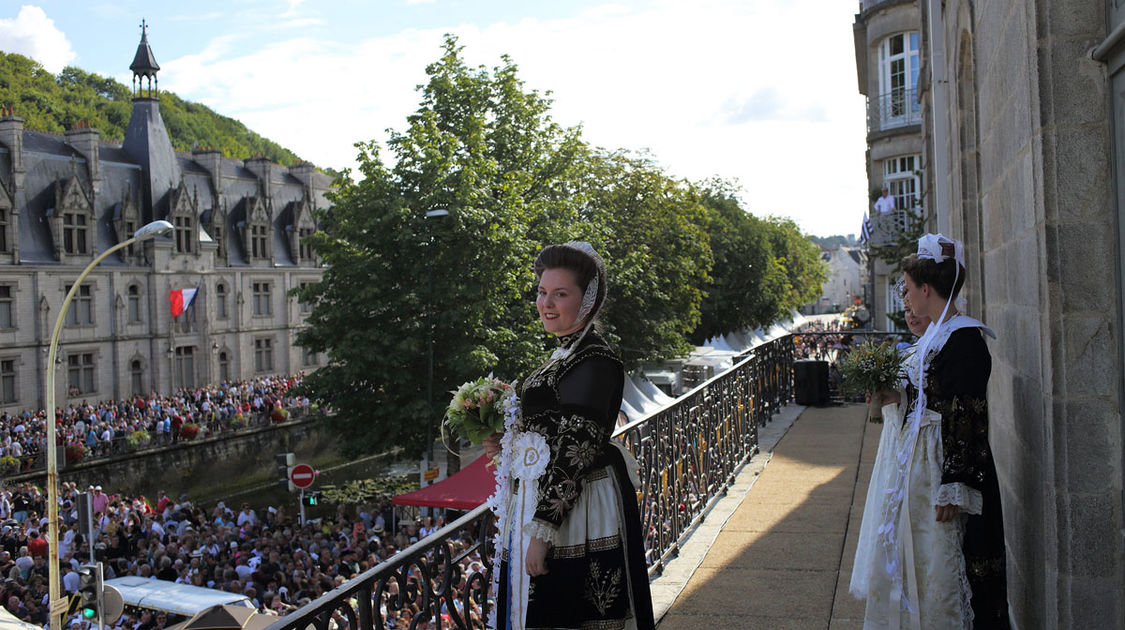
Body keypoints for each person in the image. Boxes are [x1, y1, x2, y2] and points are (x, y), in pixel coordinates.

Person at [484, 242, 654, 630]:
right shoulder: (564, 355)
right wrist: (506, 444)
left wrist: (543, 532)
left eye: (560, 294)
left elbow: (576, 450)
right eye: (543, 292)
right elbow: (546, 432)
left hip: (577, 511)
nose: (546, 303)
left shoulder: (594, 359)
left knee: (565, 609)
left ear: (588, 300)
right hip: (549, 503)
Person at [854, 234, 1009, 629]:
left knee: (945, 566)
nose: (906, 297)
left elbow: (969, 416)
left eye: (908, 288)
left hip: (944, 475)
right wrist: (893, 394)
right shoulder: (933, 339)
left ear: (926, 289)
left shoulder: (966, 340)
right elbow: (924, 397)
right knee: (918, 566)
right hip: (918, 469)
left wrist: (954, 485)